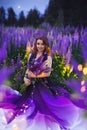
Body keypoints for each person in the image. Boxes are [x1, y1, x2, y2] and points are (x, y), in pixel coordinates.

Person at [0, 36, 87, 130]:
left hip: (43, 83)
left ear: (45, 45)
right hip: (32, 84)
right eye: (38, 44)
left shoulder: (48, 57)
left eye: (42, 44)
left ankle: (43, 122)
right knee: (26, 103)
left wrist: (33, 76)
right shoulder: (31, 56)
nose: (40, 46)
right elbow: (28, 70)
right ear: (35, 44)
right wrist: (26, 78)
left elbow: (47, 73)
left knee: (46, 103)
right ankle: (29, 120)